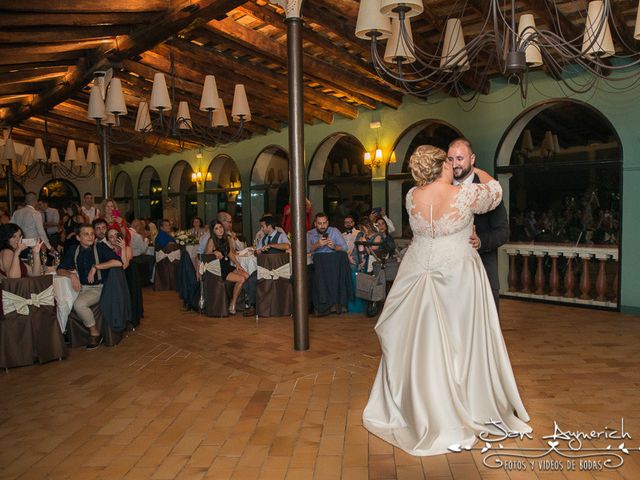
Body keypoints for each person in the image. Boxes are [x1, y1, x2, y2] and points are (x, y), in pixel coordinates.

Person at [362, 145, 530, 456]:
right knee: (461, 341)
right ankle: (466, 400)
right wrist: (475, 169)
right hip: (457, 274)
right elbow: (496, 190)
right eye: (449, 162)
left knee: (420, 341)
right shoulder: (465, 195)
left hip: (418, 269)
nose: (454, 165)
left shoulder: (412, 195)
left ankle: (421, 403)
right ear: (443, 166)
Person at [447, 138, 509, 309]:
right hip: (449, 277)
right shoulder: (442, 188)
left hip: (483, 271)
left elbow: (503, 231)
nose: (454, 165)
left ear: (472, 159)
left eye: (459, 159)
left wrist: (480, 241)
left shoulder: (488, 189)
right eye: (450, 159)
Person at [57, 224, 123, 349]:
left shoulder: (101, 248)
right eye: (86, 234)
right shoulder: (73, 250)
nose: (91, 236)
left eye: (92, 233)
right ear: (78, 237)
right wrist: (71, 275)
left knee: (79, 305)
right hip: (81, 288)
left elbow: (118, 262)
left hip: (99, 288)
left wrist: (96, 266)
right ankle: (65, 333)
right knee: (62, 301)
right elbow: (59, 269)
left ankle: (94, 332)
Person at [204, 220, 249, 315]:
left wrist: (237, 263)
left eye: (220, 227)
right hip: (218, 269)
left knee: (246, 275)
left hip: (226, 266)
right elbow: (206, 256)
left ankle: (240, 302)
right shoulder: (212, 240)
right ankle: (232, 304)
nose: (220, 230)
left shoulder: (227, 238)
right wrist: (214, 252)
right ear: (213, 231)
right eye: (216, 228)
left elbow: (229, 253)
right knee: (241, 279)